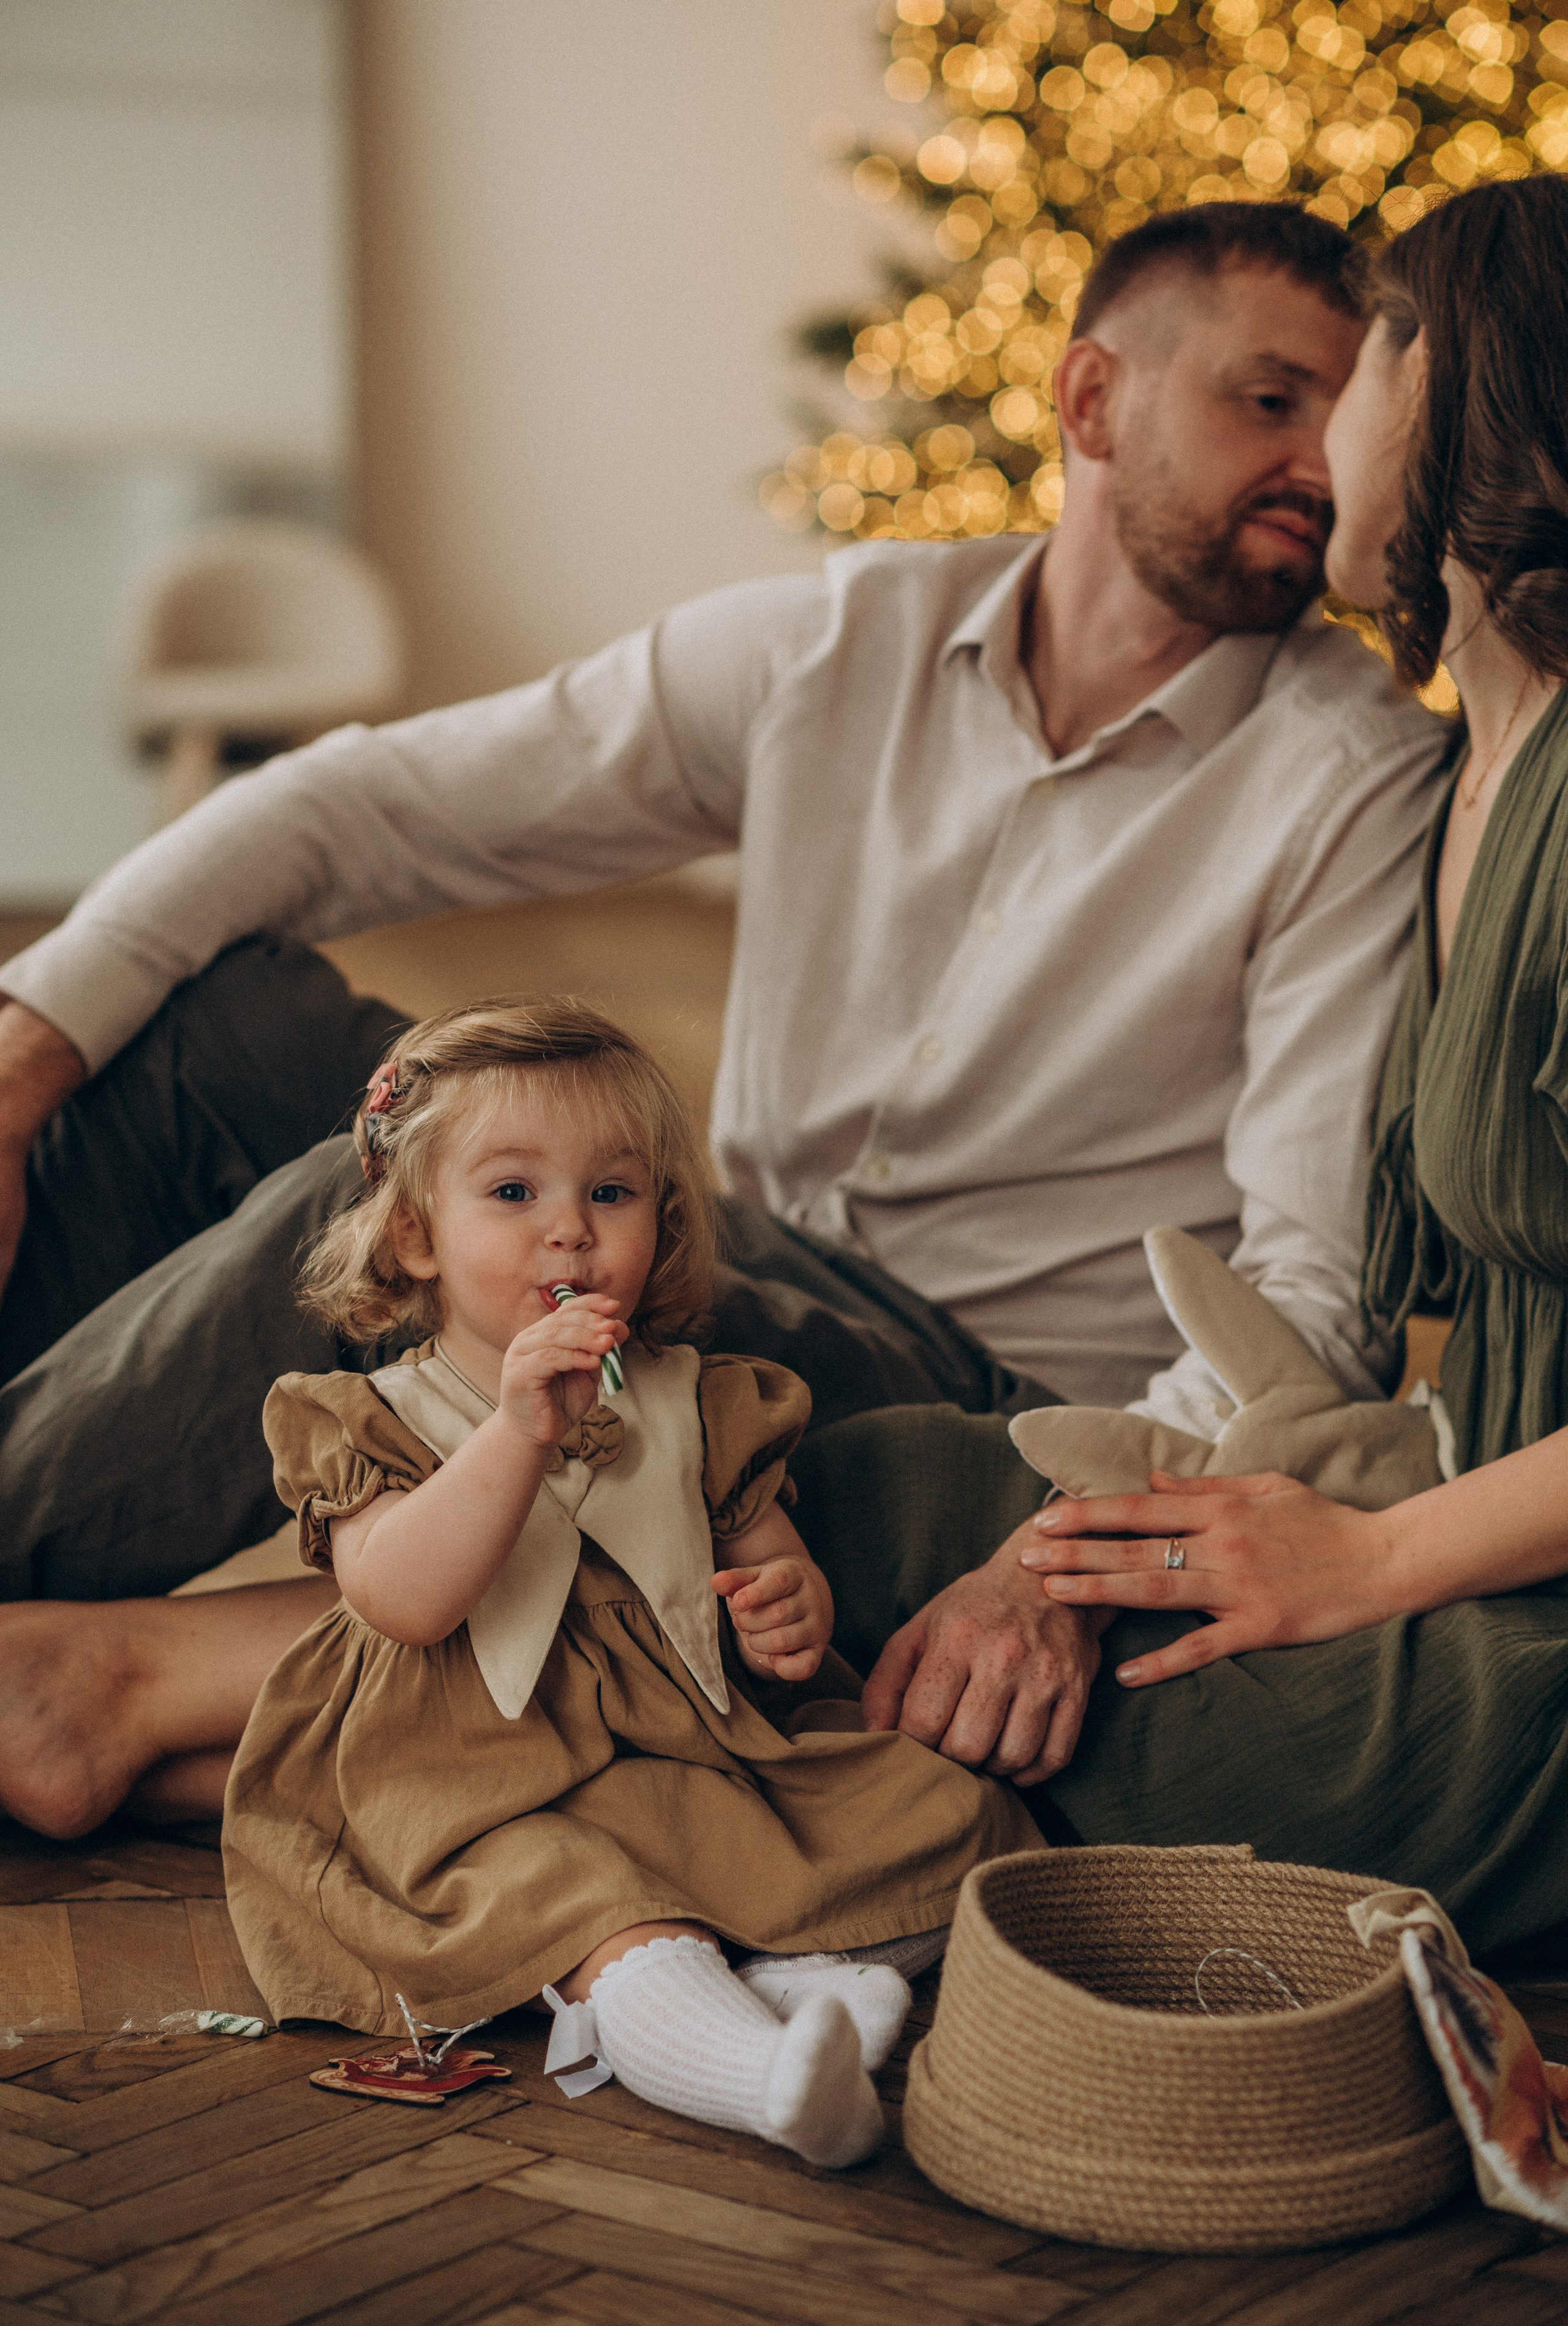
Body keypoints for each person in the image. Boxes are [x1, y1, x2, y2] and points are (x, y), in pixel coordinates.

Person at [0, 202, 1449, 1832]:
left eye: (1343, 418)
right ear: (1093, 400)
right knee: (226, 1036)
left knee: (412, 1185)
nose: (1319, 465)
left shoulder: (1357, 776)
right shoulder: (839, 646)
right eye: (1267, 400)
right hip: (717, 1245)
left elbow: (1312, 1294)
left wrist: (1060, 1559)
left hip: (951, 1377)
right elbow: (356, 807)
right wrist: (17, 1061)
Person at [793, 175, 1568, 1962]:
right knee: (884, 1485)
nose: (1319, 439)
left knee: (1097, 1687)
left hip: (1518, 1624)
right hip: (1454, 1510)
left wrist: (1372, 1565)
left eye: (1358, 363)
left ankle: (262, 1735)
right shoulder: (1464, 774)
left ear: (1463, 390)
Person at [221, 1000, 1037, 2165]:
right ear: (414, 1236)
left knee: (945, 1814)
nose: (569, 1233)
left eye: (610, 1194)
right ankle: (763, 2081)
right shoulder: (367, 1419)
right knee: (602, 1907)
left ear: (662, 1219)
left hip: (687, 1752)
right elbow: (403, 1599)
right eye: (513, 1195)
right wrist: (513, 1434)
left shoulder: (704, 1398)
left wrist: (791, 1614)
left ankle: (807, 1989)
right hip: (477, 1780)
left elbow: (767, 1569)